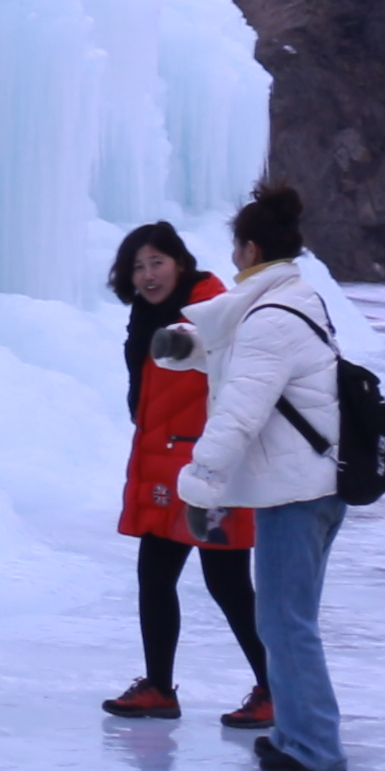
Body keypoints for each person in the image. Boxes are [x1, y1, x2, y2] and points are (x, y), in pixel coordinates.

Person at [169, 181, 353, 771]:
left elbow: (240, 412)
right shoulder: (291, 302)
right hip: (310, 486)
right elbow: (239, 353)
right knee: (286, 619)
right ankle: (301, 734)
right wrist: (189, 348)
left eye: (234, 249)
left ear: (248, 250)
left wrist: (200, 487)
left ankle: (315, 748)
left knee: (284, 622)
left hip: (296, 493)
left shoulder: (271, 318)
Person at [100, 220, 269, 728]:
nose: (148, 275)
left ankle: (276, 687)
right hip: (164, 467)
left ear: (180, 262)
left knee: (227, 582)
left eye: (157, 263)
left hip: (209, 468)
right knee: (154, 576)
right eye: (138, 266)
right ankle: (158, 687)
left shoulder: (211, 311)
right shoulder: (145, 315)